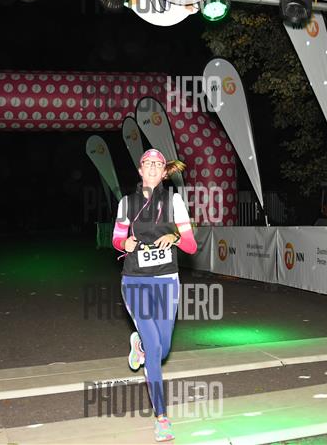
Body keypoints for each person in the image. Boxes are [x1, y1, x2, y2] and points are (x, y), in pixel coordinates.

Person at [112, 149, 197, 442]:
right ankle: (162, 417)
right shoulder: (127, 203)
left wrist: (175, 236)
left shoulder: (174, 202)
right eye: (147, 163)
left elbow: (191, 246)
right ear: (140, 170)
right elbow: (116, 239)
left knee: (162, 349)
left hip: (166, 281)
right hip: (135, 281)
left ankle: (139, 345)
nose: (151, 167)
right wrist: (125, 243)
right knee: (153, 344)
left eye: (157, 164)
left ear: (164, 173)